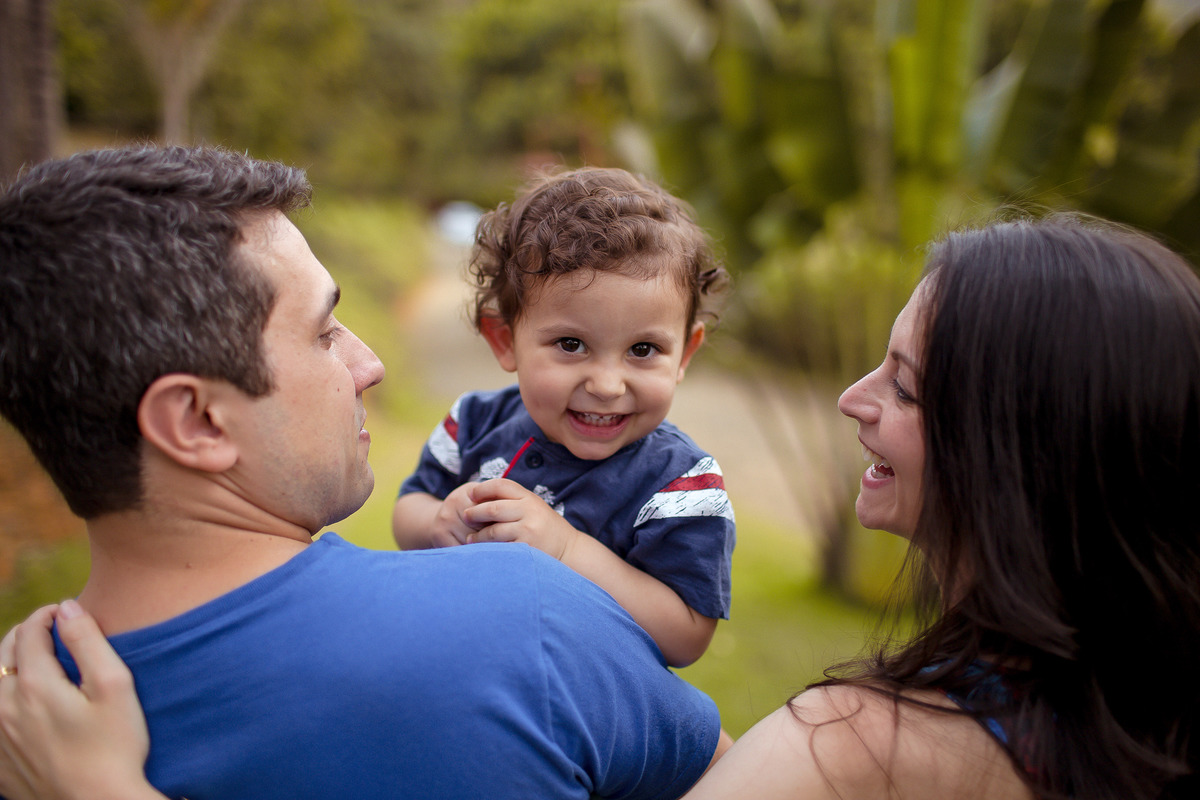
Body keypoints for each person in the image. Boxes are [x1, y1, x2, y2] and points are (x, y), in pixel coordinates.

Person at [7, 212, 1196, 800]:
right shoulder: (1129, 706)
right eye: (326, 326)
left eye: (907, 384)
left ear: (1022, 452)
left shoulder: (868, 749)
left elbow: (680, 625)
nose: (849, 397)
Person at [0, 145, 724, 800]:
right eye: (323, 333)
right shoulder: (522, 621)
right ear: (196, 420)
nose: (369, 363)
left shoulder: (30, 718)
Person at [392, 167, 736, 668]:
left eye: (643, 349)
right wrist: (438, 522)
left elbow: (686, 637)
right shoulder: (472, 423)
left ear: (685, 353)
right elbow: (408, 509)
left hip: (576, 712)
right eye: (571, 345)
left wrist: (565, 548)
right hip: (453, 673)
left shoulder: (682, 484)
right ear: (505, 339)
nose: (606, 384)